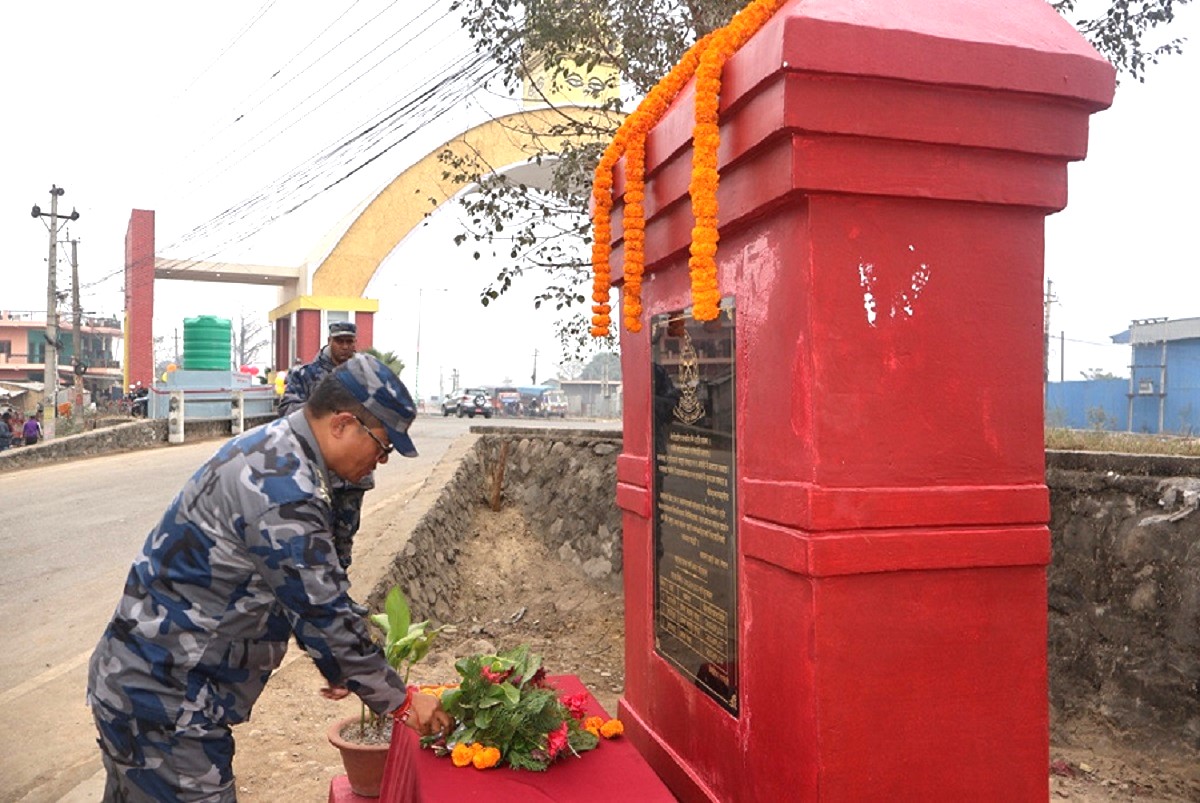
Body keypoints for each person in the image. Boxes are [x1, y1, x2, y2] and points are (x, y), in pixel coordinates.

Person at [86, 353, 450, 801]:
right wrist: (403, 701)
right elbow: (323, 611)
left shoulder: (275, 449)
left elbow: (289, 589)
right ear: (342, 424)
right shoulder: (285, 488)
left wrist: (339, 666)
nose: (382, 460)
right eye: (383, 445)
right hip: (167, 701)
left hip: (142, 684)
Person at [279, 321, 371, 570]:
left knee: (344, 541)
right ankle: (314, 588)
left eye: (349, 341)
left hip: (353, 472)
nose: (345, 347)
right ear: (329, 341)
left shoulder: (366, 376)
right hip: (317, 471)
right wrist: (326, 413)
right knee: (313, 537)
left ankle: (339, 587)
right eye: (339, 341)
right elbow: (287, 410)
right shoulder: (305, 375)